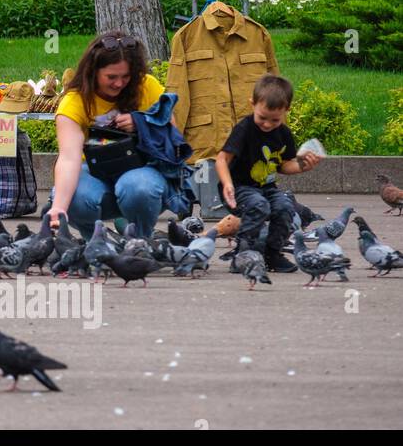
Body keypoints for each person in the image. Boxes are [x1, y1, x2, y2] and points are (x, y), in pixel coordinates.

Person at [47, 31, 185, 240]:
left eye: (126, 77)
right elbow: (68, 158)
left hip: (143, 169)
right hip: (95, 171)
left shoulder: (147, 85)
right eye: (111, 77)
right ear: (93, 72)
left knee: (137, 187)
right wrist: (58, 208)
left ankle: (140, 241)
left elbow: (173, 138)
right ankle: (97, 241)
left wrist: (142, 123)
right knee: (71, 196)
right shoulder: (75, 101)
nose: (119, 83)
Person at [215, 74, 320, 272]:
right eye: (262, 118)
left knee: (285, 207)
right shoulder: (244, 129)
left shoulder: (284, 134)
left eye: (275, 120)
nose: (267, 124)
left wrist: (303, 166)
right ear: (252, 104)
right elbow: (222, 159)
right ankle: (242, 255)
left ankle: (272, 254)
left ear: (286, 111)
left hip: (266, 188)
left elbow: (284, 165)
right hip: (238, 188)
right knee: (259, 205)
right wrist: (227, 183)